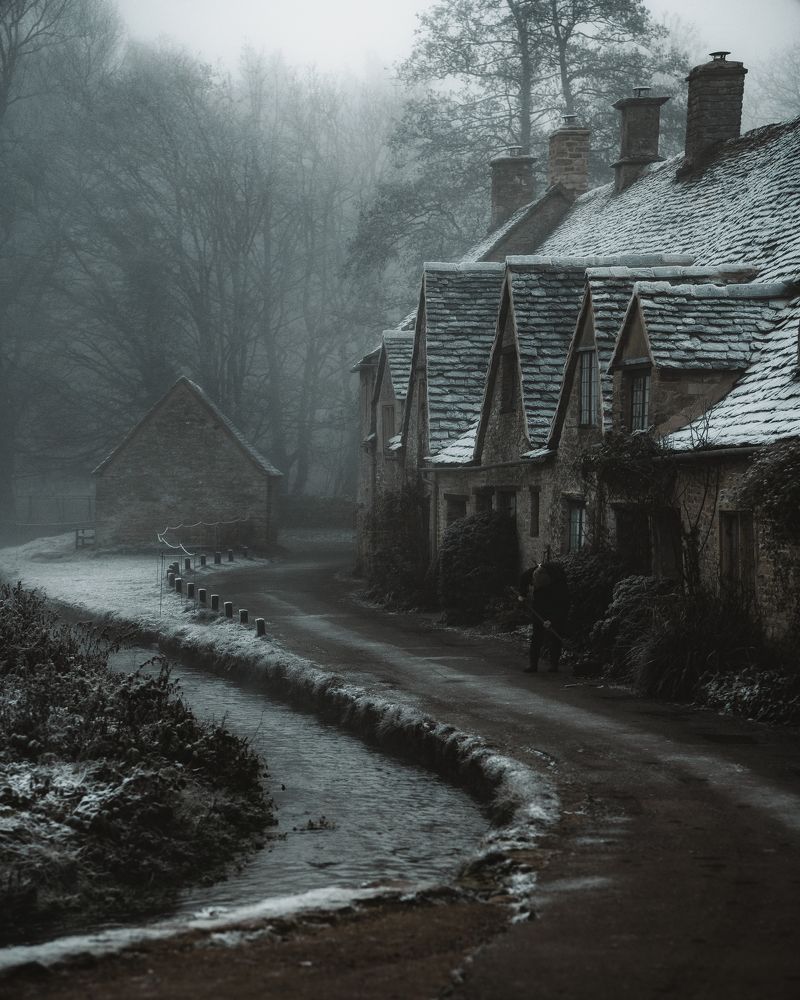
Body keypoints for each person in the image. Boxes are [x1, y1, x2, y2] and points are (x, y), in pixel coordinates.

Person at [518, 561, 570, 673]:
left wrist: (551, 620)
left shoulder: (560, 585)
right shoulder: (535, 571)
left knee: (555, 636)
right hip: (539, 605)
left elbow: (562, 606)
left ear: (548, 582)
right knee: (536, 635)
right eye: (534, 584)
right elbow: (523, 578)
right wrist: (522, 594)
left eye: (538, 585)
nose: (535, 585)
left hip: (555, 607)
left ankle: (553, 665)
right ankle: (533, 665)